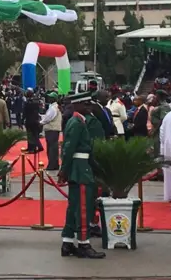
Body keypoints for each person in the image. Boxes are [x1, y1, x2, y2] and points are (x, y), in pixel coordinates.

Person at [58, 92, 105, 259]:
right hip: (80, 169)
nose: (88, 107)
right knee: (83, 208)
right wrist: (63, 170)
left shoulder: (77, 121)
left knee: (73, 207)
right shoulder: (77, 123)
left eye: (89, 104)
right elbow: (69, 148)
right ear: (76, 105)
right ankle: (84, 244)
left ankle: (68, 242)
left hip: (79, 168)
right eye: (85, 104)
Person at [41, 92, 62, 171]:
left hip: (51, 129)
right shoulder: (54, 107)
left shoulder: (53, 108)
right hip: (54, 130)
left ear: (54, 99)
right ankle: (54, 164)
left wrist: (41, 123)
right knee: (53, 147)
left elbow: (48, 118)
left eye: (50, 97)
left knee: (51, 148)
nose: (48, 98)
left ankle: (52, 165)